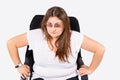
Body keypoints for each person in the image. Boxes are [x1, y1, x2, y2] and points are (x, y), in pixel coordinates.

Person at [7, 6, 105, 80]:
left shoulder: (74, 37)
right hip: (41, 77)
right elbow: (11, 43)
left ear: (64, 25)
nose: (52, 29)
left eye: (57, 25)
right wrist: (19, 66)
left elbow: (100, 49)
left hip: (68, 77)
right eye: (49, 25)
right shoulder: (36, 35)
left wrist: (91, 69)